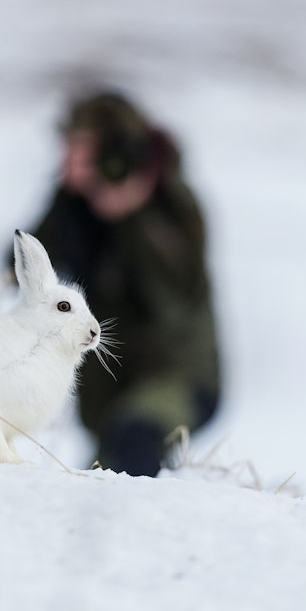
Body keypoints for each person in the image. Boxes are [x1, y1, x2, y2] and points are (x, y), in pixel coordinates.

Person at [28, 90, 222, 476]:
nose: (71, 165)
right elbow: (23, 262)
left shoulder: (172, 206)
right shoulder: (72, 203)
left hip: (178, 378)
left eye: (83, 153)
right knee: (99, 483)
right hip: (110, 395)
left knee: (135, 440)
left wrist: (130, 215)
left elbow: (177, 302)